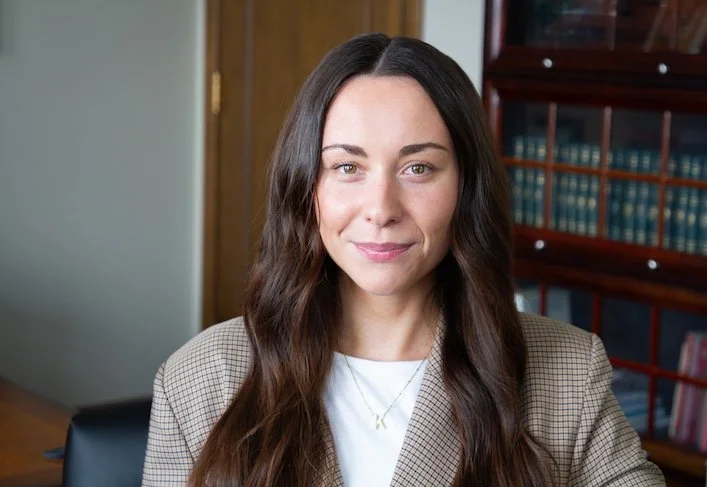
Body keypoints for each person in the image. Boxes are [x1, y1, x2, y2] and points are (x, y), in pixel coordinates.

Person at [142, 33, 665, 486]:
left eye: (418, 168)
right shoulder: (199, 379)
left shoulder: (567, 371)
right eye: (347, 167)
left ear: (466, 186)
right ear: (307, 188)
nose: (381, 210)